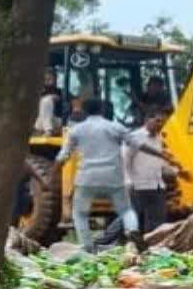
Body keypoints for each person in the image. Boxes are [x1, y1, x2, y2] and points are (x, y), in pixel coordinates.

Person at [55, 98, 144, 252]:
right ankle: (132, 231)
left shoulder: (77, 130)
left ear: (84, 111)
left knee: (80, 213)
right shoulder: (115, 127)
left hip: (87, 178)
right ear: (102, 110)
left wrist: (53, 171)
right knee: (126, 210)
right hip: (113, 177)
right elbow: (136, 143)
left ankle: (89, 247)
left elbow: (63, 156)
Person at [123, 107, 175, 233]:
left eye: (163, 121)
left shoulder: (160, 138)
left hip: (157, 185)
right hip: (138, 186)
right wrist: (128, 181)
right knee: (136, 222)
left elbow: (159, 160)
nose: (160, 124)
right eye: (157, 121)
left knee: (158, 223)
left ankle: (153, 247)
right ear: (147, 120)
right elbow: (124, 160)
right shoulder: (135, 137)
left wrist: (171, 170)